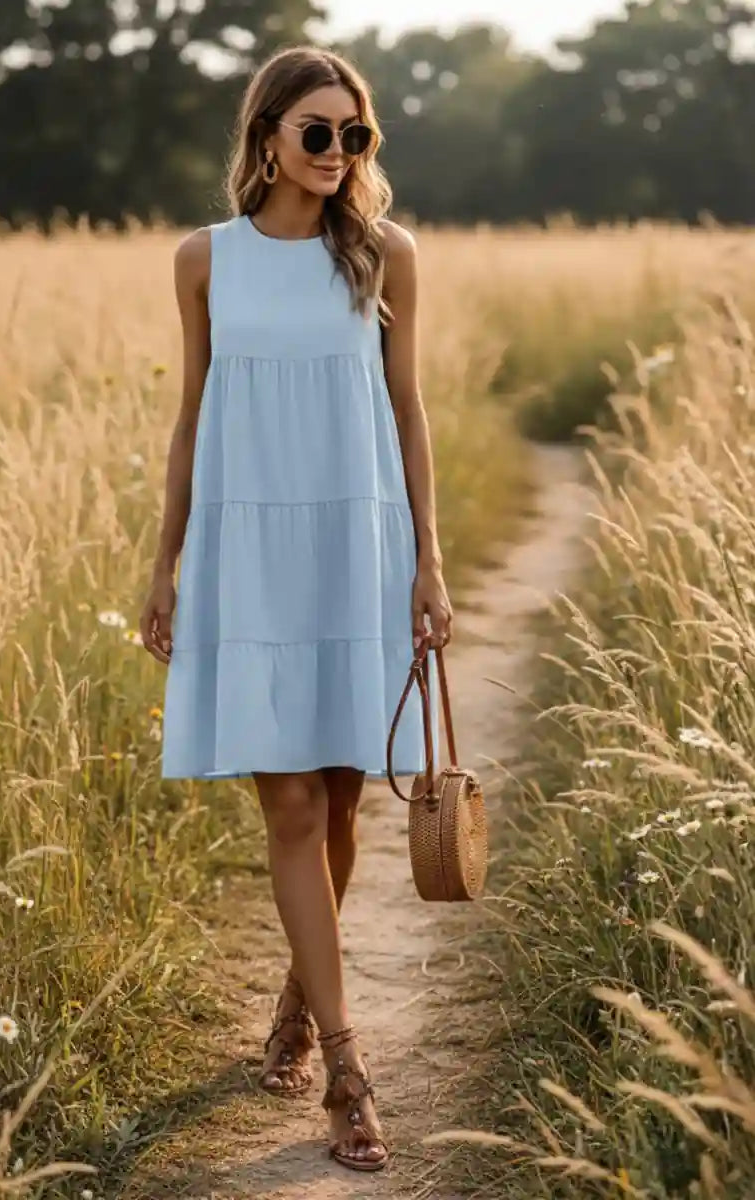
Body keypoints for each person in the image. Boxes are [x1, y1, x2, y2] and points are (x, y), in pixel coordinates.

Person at [139, 44, 453, 1174]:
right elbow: (191, 419)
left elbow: (408, 412)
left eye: (352, 136)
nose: (334, 155)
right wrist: (164, 563)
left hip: (354, 543)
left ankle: (294, 1000)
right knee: (287, 815)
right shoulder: (202, 261)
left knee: (340, 804)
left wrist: (429, 560)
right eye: (315, 132)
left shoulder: (384, 257)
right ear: (266, 134)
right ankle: (348, 1072)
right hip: (248, 548)